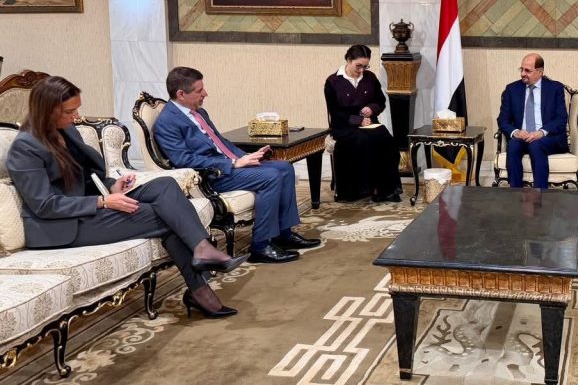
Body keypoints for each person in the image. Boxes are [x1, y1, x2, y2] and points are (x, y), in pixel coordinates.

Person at [5, 76, 247, 319]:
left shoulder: (65, 131)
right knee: (167, 217)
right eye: (70, 111)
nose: (77, 116)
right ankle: (201, 288)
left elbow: (86, 179)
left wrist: (112, 186)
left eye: (77, 108)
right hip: (61, 226)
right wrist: (102, 201)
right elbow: (44, 205)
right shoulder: (25, 148)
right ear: (47, 110)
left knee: (165, 185)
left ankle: (202, 251)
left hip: (87, 207)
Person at [154, 67, 320, 264]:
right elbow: (184, 160)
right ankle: (261, 247)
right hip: (211, 176)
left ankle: (283, 234)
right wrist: (233, 163)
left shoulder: (199, 112)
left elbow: (220, 142)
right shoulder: (167, 122)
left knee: (284, 168)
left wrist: (248, 157)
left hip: (229, 166)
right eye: (199, 91)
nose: (205, 93)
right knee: (271, 177)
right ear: (181, 94)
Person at [324, 44, 402, 203]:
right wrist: (358, 120)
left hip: (371, 124)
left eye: (365, 66)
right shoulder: (333, 81)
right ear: (348, 60)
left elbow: (380, 101)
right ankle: (360, 189)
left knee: (387, 140)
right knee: (361, 140)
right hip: (344, 126)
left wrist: (371, 109)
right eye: (358, 66)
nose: (361, 70)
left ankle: (385, 189)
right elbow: (335, 112)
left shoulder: (370, 77)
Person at [496, 53, 569, 189]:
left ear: (540, 72)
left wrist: (541, 132)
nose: (522, 74)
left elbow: (561, 118)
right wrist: (516, 132)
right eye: (521, 69)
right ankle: (515, 194)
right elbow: (503, 120)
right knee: (513, 145)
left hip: (548, 138)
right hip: (522, 137)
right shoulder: (512, 89)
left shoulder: (554, 88)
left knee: (536, 145)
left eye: (527, 71)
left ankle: (540, 194)